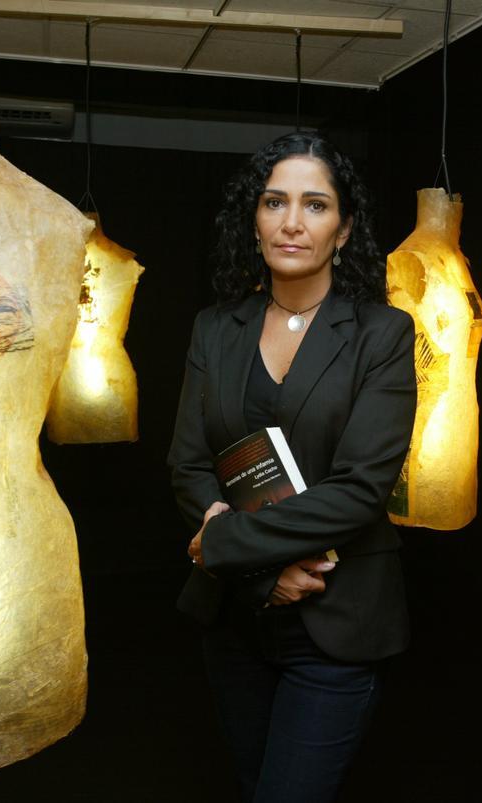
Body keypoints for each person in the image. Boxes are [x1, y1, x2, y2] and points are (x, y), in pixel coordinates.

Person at [168, 131, 416, 803]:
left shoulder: (382, 335)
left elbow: (360, 490)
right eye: (275, 202)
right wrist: (260, 572)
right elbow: (190, 465)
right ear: (254, 221)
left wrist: (222, 543)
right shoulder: (215, 328)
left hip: (337, 620)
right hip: (235, 624)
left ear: (343, 230)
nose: (292, 221)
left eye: (315, 205)